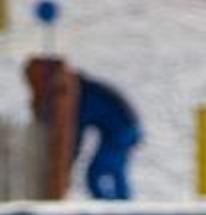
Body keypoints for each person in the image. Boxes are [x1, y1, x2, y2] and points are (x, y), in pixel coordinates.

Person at [24, 58, 142, 201]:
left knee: (101, 170)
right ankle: (118, 205)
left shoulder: (83, 97)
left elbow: (76, 133)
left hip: (123, 131)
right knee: (108, 170)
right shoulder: (86, 90)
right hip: (125, 129)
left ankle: (116, 207)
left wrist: (68, 162)